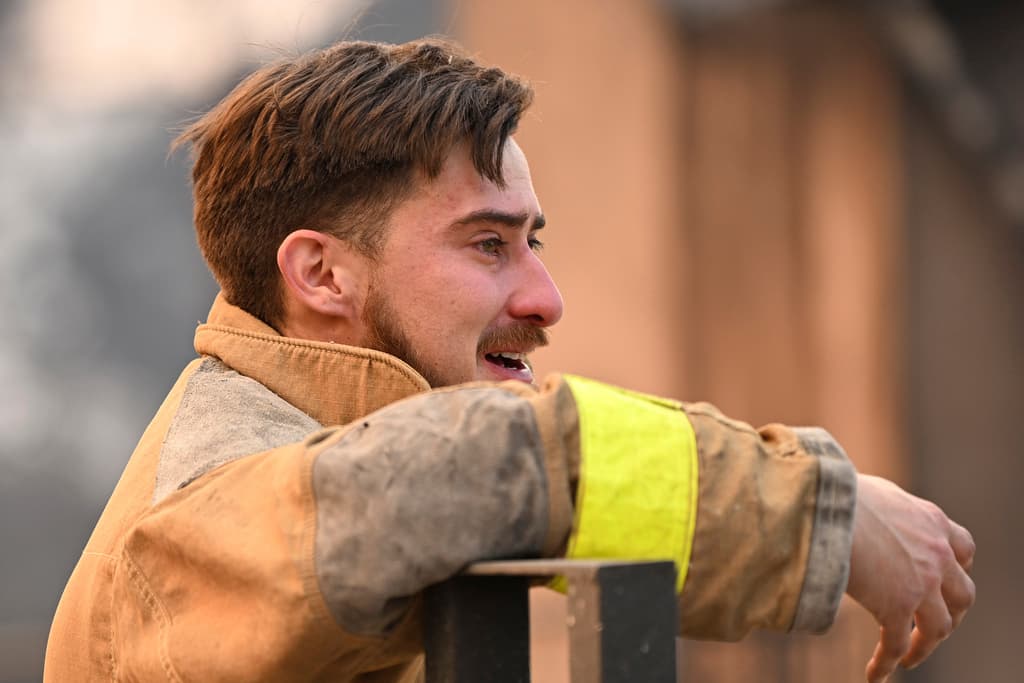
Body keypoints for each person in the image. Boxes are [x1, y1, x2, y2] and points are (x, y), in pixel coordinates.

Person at [44, 37, 974, 683]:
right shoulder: (198, 514)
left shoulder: (309, 443)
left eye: (534, 242)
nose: (545, 298)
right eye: (488, 244)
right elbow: (488, 461)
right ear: (321, 274)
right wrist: (818, 512)